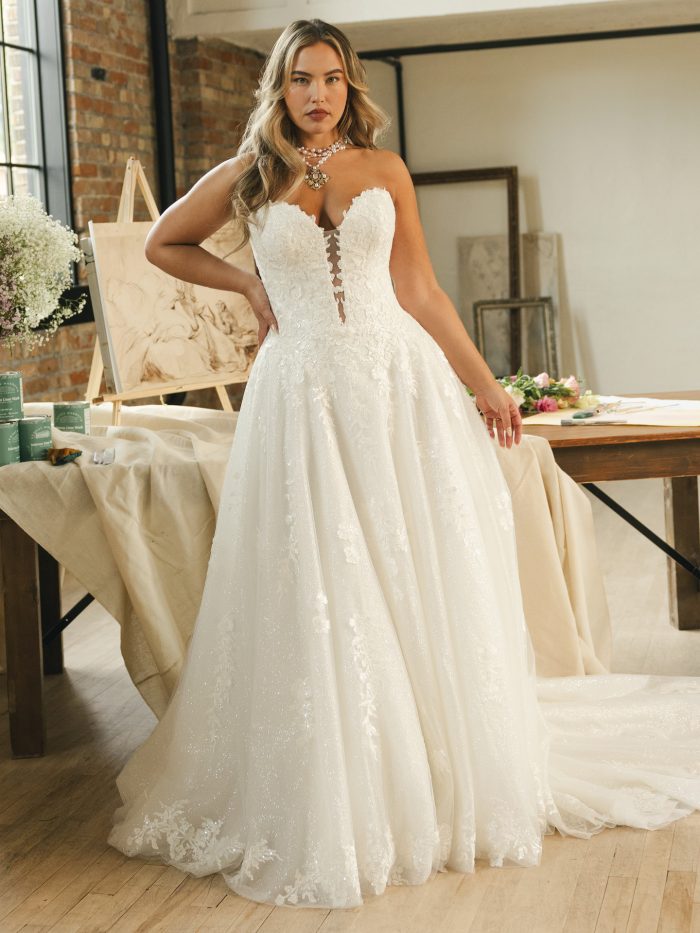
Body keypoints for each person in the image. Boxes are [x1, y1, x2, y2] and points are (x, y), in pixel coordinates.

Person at [108, 18, 700, 910]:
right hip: (302, 394)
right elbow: (163, 244)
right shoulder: (247, 176)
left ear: (351, 87)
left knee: (407, 564)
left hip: (394, 385)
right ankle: (343, 782)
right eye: (302, 78)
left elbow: (419, 288)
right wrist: (251, 286)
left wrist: (486, 384)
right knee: (324, 579)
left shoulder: (383, 171)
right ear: (279, 85)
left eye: (333, 79)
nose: (317, 94)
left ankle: (428, 758)